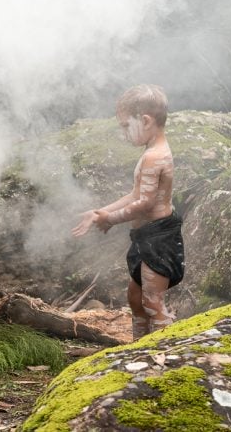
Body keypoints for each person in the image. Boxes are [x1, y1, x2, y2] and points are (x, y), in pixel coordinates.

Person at [72, 85, 184, 340]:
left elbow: (145, 203)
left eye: (125, 126)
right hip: (144, 236)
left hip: (158, 238)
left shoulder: (155, 157)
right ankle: (138, 347)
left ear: (145, 120)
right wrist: (100, 211)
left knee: (152, 302)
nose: (123, 133)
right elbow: (134, 195)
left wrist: (110, 219)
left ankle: (162, 354)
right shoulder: (149, 152)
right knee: (135, 298)